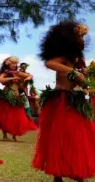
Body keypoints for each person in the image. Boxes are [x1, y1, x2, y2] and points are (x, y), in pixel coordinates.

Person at [32, 21, 95, 182]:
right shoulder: (63, 59)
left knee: (78, 138)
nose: (82, 40)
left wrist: (86, 79)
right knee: (60, 137)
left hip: (77, 102)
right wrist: (72, 71)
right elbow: (50, 63)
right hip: (62, 102)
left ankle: (77, 170)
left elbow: (81, 79)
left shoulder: (78, 60)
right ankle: (57, 174)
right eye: (80, 36)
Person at [0, 56, 37, 141]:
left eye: (16, 63)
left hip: (16, 96)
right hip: (6, 96)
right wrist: (12, 78)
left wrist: (27, 78)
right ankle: (5, 136)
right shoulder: (6, 72)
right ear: (8, 64)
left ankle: (14, 136)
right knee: (4, 117)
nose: (14, 65)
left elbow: (30, 75)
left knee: (17, 117)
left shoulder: (18, 72)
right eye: (12, 63)